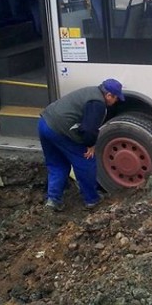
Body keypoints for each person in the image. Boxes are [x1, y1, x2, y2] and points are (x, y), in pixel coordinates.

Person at [38, 78, 125, 211]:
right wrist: (90, 145)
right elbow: (89, 130)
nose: (116, 101)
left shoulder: (90, 91)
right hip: (59, 130)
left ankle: (53, 200)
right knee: (86, 161)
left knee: (57, 164)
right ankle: (91, 199)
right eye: (116, 98)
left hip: (44, 123)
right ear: (108, 95)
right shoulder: (98, 104)